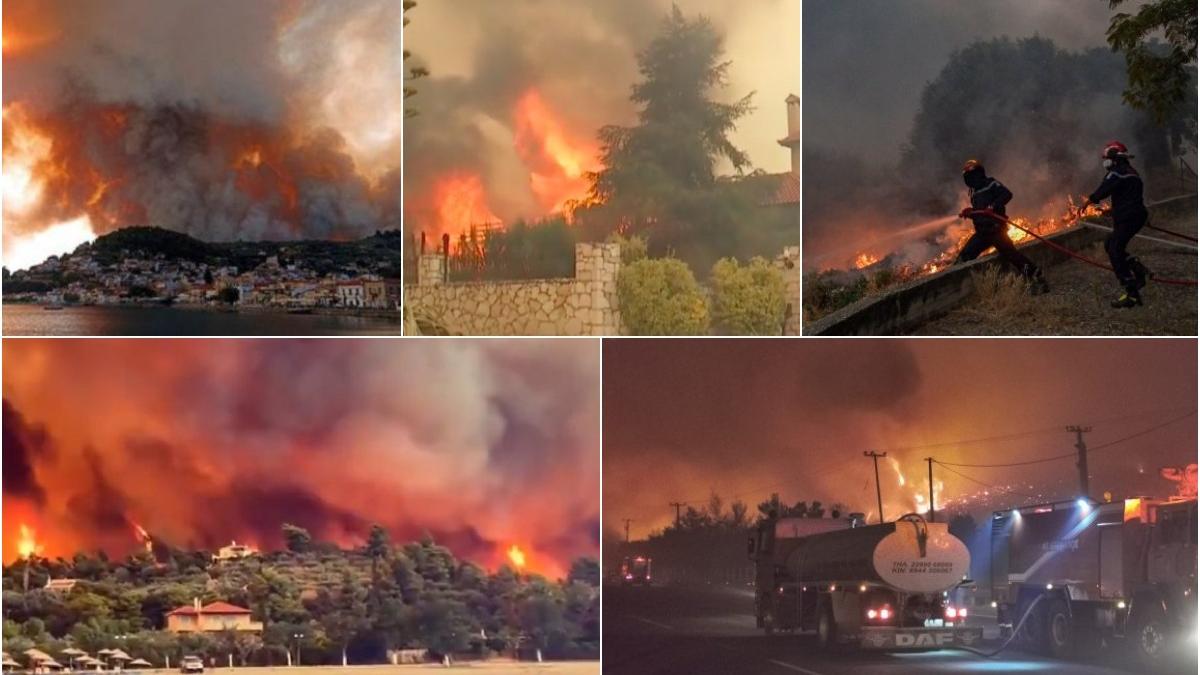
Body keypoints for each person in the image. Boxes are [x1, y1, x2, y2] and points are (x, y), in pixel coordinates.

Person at [956, 159, 1049, 293]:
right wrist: (970, 212)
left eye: (971, 175)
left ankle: (1038, 278)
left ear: (979, 173)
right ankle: (958, 291)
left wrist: (993, 206)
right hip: (982, 234)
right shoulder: (974, 193)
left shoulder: (991, 183)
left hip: (996, 231)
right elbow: (980, 213)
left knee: (1013, 256)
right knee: (964, 256)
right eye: (968, 177)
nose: (970, 179)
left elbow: (1007, 194)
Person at [1079, 141, 1150, 308]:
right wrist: (1111, 211)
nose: (1105, 162)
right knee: (1110, 243)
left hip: (1129, 217)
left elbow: (1104, 189)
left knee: (1114, 249)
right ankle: (1138, 269)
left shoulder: (1117, 172)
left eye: (1107, 159)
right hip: (1134, 215)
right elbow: (1128, 197)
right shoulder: (1131, 172)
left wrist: (1088, 201)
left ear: (1114, 158)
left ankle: (1131, 293)